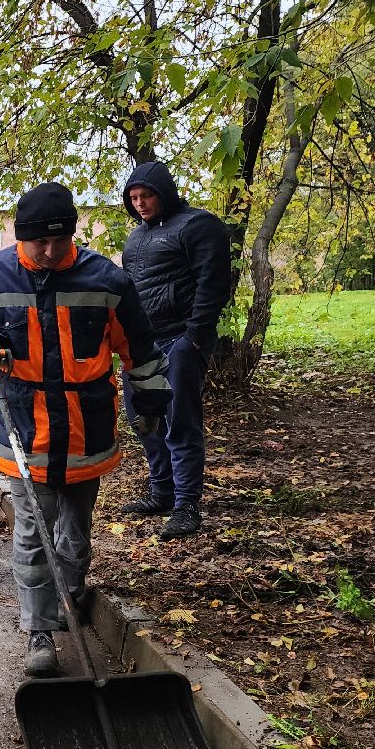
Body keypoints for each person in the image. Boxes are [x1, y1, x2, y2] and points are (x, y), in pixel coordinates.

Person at [0, 183, 171, 676]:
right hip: (24, 424)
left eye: (60, 240)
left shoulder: (106, 280)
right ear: (20, 237)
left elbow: (139, 348)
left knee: (75, 532)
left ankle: (70, 598)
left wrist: (152, 402)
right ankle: (40, 630)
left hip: (84, 429)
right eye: (39, 242)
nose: (50, 251)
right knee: (33, 532)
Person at [119, 160, 233, 539]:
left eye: (146, 195)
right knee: (143, 419)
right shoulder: (136, 237)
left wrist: (194, 337)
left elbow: (213, 283)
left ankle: (187, 505)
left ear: (163, 193)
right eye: (134, 197)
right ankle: (162, 492)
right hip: (142, 346)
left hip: (180, 340)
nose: (140, 203)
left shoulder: (197, 225)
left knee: (180, 423)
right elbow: (130, 291)